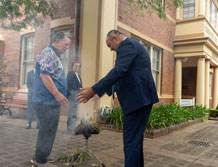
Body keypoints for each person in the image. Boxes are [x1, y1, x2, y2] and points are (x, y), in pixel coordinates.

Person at [77, 30, 159, 167]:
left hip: (137, 101)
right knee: (135, 141)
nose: (110, 49)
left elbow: (119, 71)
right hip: (141, 100)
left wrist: (93, 89)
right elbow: (123, 74)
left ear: (115, 38)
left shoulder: (127, 46)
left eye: (110, 45)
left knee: (131, 142)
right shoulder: (132, 46)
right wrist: (101, 92)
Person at [31, 32, 71, 166]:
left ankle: (40, 157)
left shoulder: (54, 55)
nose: (67, 47)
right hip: (45, 101)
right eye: (66, 44)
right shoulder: (48, 53)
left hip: (49, 101)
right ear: (57, 41)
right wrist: (57, 94)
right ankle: (40, 160)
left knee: (48, 130)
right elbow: (45, 76)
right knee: (47, 130)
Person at [66, 61, 82, 133]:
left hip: (77, 96)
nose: (76, 67)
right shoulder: (70, 74)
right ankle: (70, 128)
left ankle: (73, 127)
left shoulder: (78, 75)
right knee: (72, 112)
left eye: (78, 66)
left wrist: (81, 93)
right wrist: (75, 93)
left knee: (75, 112)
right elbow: (70, 85)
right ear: (72, 66)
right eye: (75, 66)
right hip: (72, 96)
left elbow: (80, 86)